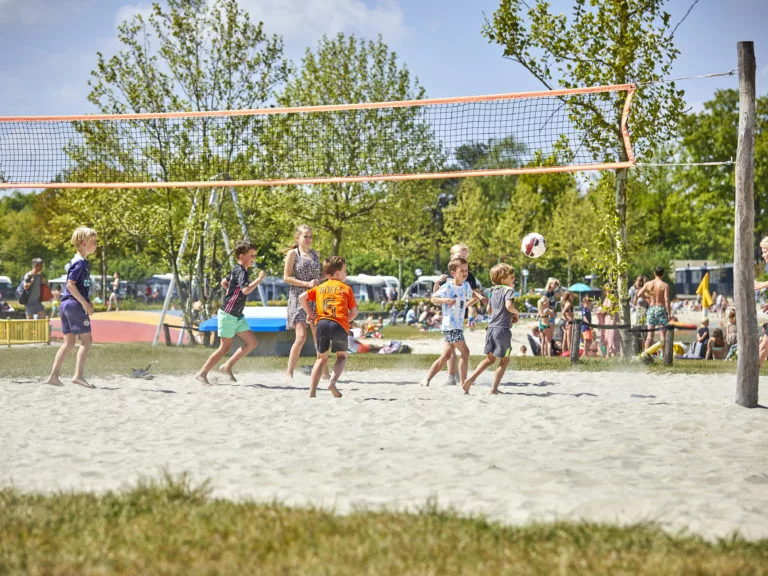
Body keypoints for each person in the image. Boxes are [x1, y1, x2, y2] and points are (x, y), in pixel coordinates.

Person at [195, 241, 266, 386]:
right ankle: (202, 374)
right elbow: (245, 290)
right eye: (251, 255)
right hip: (228, 315)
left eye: (255, 255)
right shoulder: (241, 271)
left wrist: (231, 291)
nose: (254, 257)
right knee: (224, 347)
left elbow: (223, 282)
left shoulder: (238, 269)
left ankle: (227, 367)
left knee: (251, 342)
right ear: (241, 256)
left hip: (237, 315)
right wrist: (259, 280)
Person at [43, 228, 98, 387]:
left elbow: (78, 287)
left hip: (66, 304)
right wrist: (84, 303)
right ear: (83, 243)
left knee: (68, 343)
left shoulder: (80, 262)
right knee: (87, 341)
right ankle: (78, 376)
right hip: (74, 305)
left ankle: (54, 376)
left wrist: (88, 301)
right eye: (93, 242)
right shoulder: (80, 263)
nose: (96, 244)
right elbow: (70, 285)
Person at [299, 255, 358, 398]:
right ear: (337, 274)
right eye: (345, 271)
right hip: (339, 325)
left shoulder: (320, 288)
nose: (346, 274)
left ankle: (312, 392)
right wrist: (346, 321)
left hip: (322, 324)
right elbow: (354, 312)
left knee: (321, 359)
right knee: (342, 357)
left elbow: (302, 297)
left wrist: (310, 314)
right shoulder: (346, 288)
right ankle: (332, 382)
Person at [420, 257, 479, 388]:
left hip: (457, 326)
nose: (465, 273)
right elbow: (433, 299)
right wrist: (446, 300)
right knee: (466, 353)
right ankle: (463, 383)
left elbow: (473, 297)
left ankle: (426, 379)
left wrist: (467, 304)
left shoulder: (466, 285)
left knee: (445, 356)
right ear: (453, 273)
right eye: (462, 270)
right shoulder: (447, 287)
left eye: (467, 270)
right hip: (451, 326)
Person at [432, 244, 487, 385]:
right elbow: (435, 294)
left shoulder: (469, 276)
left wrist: (466, 306)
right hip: (448, 316)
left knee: (452, 347)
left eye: (465, 257)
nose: (462, 259)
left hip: (458, 316)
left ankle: (456, 376)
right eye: (459, 256)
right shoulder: (447, 275)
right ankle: (452, 376)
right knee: (451, 347)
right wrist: (437, 283)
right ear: (452, 257)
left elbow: (474, 294)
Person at [463, 263, 518, 395]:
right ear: (503, 280)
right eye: (511, 277)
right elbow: (509, 306)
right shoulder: (508, 290)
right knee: (504, 361)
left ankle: (470, 379)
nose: (514, 278)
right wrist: (516, 313)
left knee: (490, 359)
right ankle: (493, 389)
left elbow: (489, 310)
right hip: (502, 330)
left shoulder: (494, 291)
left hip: (491, 329)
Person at [283, 224, 326, 384]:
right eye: (305, 236)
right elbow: (286, 278)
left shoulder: (316, 254)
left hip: (314, 298)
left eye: (310, 236)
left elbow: (317, 276)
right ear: (298, 237)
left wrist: (330, 275)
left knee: (319, 338)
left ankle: (324, 373)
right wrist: (306, 284)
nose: (308, 239)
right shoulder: (293, 254)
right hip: (297, 297)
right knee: (300, 337)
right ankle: (289, 372)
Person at [635, 266, 671, 350]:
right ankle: (664, 357)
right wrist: (669, 313)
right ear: (663, 274)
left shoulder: (648, 284)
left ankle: (646, 355)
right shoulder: (665, 285)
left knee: (650, 335)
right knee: (662, 335)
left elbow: (638, 294)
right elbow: (666, 300)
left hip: (651, 309)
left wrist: (648, 296)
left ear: (654, 273)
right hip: (661, 308)